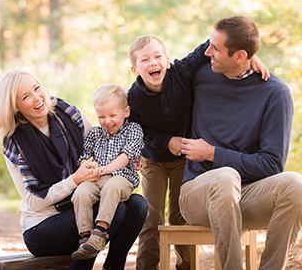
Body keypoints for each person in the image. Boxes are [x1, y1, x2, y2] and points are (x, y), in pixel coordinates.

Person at [127, 34, 269, 270]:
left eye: (158, 56)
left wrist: (249, 56)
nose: (153, 63)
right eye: (145, 60)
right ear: (135, 69)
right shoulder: (133, 97)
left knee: (180, 215)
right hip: (154, 161)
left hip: (185, 159)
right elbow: (137, 129)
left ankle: (186, 266)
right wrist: (166, 140)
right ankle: (146, 266)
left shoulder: (181, 72)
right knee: (152, 219)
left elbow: (211, 45)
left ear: (168, 60)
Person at [179, 15, 302, 270]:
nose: (207, 51)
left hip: (246, 196)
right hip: (197, 194)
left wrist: (213, 153)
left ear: (239, 56)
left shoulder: (275, 94)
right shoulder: (200, 75)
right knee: (225, 177)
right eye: (209, 44)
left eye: (215, 48)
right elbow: (159, 87)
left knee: (296, 184)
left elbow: (271, 165)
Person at [0, 70, 148, 270]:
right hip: (42, 228)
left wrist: (129, 157)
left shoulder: (69, 114)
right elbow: (33, 201)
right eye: (25, 97)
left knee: (137, 204)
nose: (37, 98)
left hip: (82, 204)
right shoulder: (14, 142)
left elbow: (102, 149)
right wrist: (75, 179)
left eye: (37, 88)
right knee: (113, 208)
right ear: (15, 107)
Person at [71, 83, 144, 260]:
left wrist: (107, 168)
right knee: (80, 192)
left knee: (112, 185)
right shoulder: (95, 133)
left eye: (112, 115)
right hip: (96, 179)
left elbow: (127, 156)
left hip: (122, 178)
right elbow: (85, 156)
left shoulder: (133, 130)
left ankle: (100, 233)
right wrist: (87, 165)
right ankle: (85, 237)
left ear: (125, 112)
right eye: (101, 116)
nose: (107, 121)